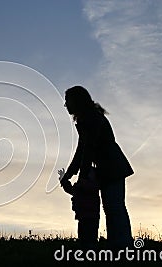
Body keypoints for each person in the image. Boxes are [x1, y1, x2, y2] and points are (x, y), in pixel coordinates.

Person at [62, 85, 134, 249]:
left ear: (76, 101)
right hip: (108, 168)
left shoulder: (91, 118)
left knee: (114, 207)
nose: (66, 105)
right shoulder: (87, 118)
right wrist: (71, 173)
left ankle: (122, 245)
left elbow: (88, 148)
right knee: (113, 206)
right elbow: (82, 149)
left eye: (67, 101)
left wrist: (81, 175)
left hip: (112, 167)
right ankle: (119, 245)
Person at [58, 167, 100, 249]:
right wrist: (63, 179)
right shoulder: (82, 187)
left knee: (89, 237)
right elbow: (70, 189)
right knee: (84, 238)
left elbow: (71, 189)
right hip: (84, 216)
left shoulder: (89, 186)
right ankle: (87, 252)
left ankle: (89, 252)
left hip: (90, 216)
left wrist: (64, 179)